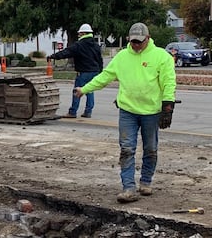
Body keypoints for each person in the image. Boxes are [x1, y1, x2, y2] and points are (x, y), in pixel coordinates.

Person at [74, 22, 176, 203]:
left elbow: (169, 82)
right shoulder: (122, 57)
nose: (136, 45)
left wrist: (168, 105)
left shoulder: (161, 57)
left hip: (151, 111)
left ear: (148, 38)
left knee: (150, 148)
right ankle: (128, 187)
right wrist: (85, 89)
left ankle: (145, 181)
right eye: (133, 42)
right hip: (127, 110)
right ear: (129, 39)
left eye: (140, 42)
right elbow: (104, 77)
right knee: (127, 148)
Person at [47, 23, 103, 118]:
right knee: (90, 90)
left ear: (83, 33)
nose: (79, 35)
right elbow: (99, 59)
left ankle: (72, 112)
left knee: (77, 91)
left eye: (80, 33)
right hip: (94, 71)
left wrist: (53, 56)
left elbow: (66, 52)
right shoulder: (95, 45)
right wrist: (100, 70)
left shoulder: (79, 45)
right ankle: (88, 111)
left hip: (83, 72)